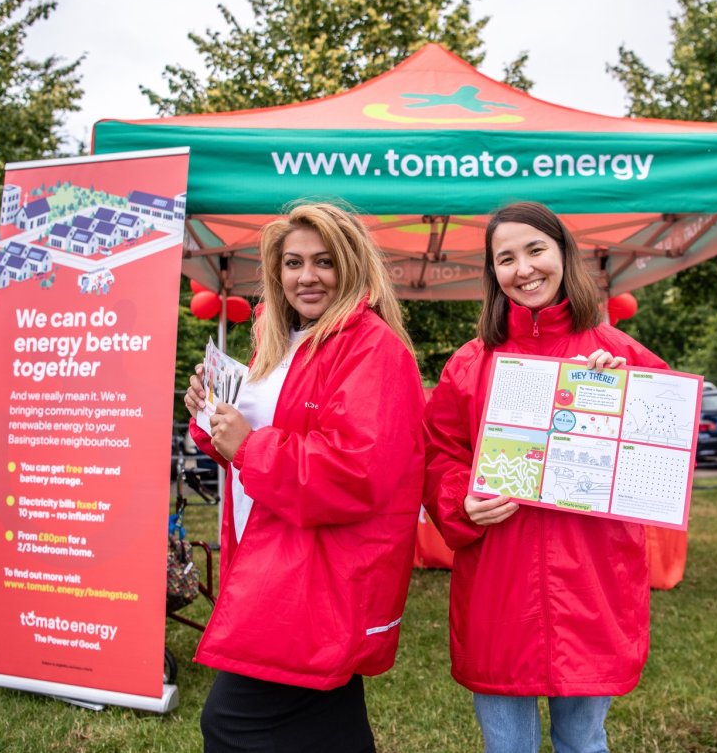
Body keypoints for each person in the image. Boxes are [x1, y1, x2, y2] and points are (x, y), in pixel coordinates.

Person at [422, 201, 670, 753]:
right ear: (493, 274)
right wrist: (461, 500)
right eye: (505, 258)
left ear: (563, 253)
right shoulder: (469, 364)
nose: (524, 268)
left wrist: (626, 400)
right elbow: (438, 452)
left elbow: (663, 453)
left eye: (535, 250)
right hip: (498, 585)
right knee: (506, 747)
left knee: (583, 742)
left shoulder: (621, 355)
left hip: (589, 581)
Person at [183, 202, 425, 753]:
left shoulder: (372, 348)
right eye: (293, 262)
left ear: (351, 265)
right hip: (275, 550)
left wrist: (250, 447)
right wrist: (210, 416)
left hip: (316, 566)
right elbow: (257, 433)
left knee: (231, 723)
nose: (306, 276)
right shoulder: (282, 338)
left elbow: (355, 471)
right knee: (326, 722)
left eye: (323, 261)